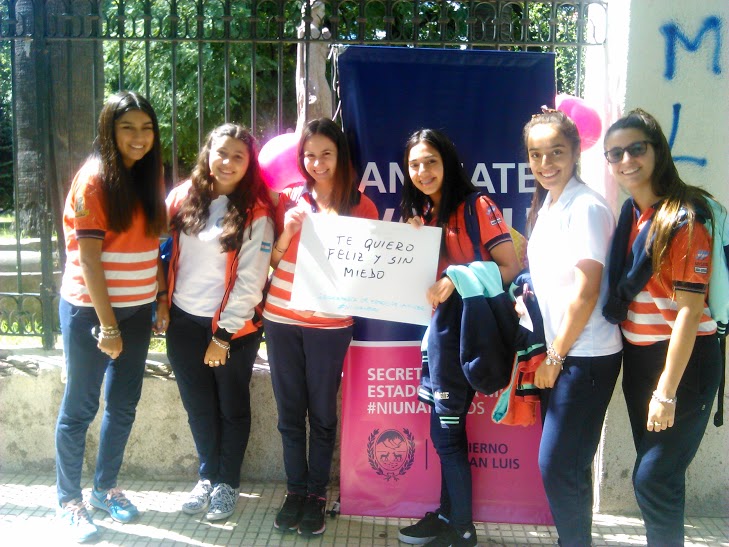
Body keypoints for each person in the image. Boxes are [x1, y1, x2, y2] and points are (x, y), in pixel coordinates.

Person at [602, 108, 723, 546]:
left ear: (658, 151)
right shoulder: (632, 215)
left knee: (652, 479)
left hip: (683, 363)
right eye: (614, 153)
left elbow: (690, 312)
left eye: (636, 148)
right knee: (663, 478)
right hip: (641, 358)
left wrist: (666, 392)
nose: (625, 160)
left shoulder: (684, 219)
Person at [398, 128, 520, 547]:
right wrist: (414, 245)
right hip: (438, 339)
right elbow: (425, 284)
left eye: (430, 161)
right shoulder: (426, 215)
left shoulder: (477, 205)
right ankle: (448, 514)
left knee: (445, 435)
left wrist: (456, 276)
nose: (422, 171)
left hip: (466, 337)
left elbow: (510, 268)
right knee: (443, 433)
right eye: (414, 164)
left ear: (447, 161)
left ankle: (462, 530)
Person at [55, 91, 168, 543]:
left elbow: (151, 245)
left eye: (146, 128)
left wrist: (159, 294)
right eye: (128, 128)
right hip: (91, 314)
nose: (139, 138)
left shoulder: (148, 175)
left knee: (123, 404)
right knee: (79, 409)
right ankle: (68, 500)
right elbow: (88, 260)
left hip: (138, 311)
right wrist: (107, 326)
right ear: (109, 130)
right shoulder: (94, 180)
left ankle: (105, 489)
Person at [264, 118, 378, 537]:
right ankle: (295, 492)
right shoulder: (289, 199)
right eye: (309, 154)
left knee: (323, 413)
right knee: (289, 413)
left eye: (326, 153)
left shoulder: (362, 205)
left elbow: (370, 274)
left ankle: (317, 494)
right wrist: (286, 234)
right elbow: (270, 264)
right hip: (280, 319)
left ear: (341, 155)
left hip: (331, 325)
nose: (317, 162)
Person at [522, 109, 623, 547]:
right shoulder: (550, 202)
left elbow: (586, 292)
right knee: (571, 465)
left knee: (558, 465)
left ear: (576, 151)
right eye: (536, 154)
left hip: (585, 356)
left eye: (556, 153)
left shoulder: (586, 206)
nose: (546, 164)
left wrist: (556, 356)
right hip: (564, 353)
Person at [164, 124, 275, 521]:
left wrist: (224, 336)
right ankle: (207, 477)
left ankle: (228, 483)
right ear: (207, 153)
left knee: (231, 407)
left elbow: (252, 278)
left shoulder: (256, 210)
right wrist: (162, 303)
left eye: (238, 157)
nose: (227, 162)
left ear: (250, 165)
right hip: (183, 323)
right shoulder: (181, 197)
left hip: (234, 329)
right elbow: (162, 254)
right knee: (198, 407)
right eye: (221, 153)